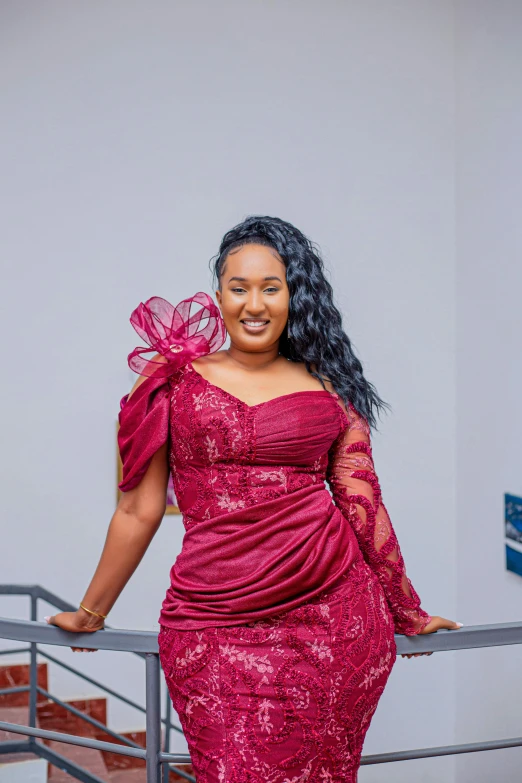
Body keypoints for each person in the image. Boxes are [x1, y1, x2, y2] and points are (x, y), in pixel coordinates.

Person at [47, 215, 462, 782]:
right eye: (239, 288)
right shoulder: (170, 382)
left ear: (294, 294)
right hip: (210, 625)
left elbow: (363, 503)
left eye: (271, 287)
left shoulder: (330, 388)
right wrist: (92, 612)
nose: (254, 303)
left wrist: (407, 609)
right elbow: (138, 509)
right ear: (217, 294)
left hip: (333, 619)